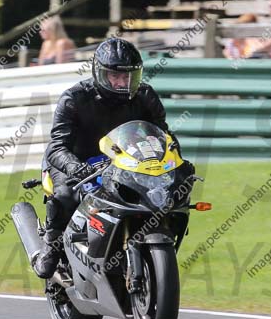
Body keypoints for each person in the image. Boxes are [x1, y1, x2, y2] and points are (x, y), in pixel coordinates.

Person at [33, 38, 191, 279]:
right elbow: (57, 146)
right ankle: (51, 247)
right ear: (99, 73)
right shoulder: (74, 98)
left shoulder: (145, 96)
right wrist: (76, 167)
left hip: (123, 161)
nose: (122, 83)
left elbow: (164, 136)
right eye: (115, 76)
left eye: (128, 76)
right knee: (65, 194)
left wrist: (176, 162)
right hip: (77, 159)